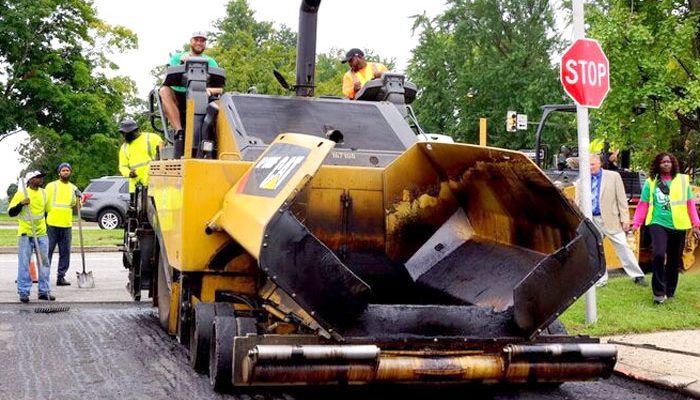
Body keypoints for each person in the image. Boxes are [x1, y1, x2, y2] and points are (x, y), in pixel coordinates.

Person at [631, 152, 700, 304]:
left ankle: (670, 291)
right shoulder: (651, 182)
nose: (666, 164)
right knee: (658, 254)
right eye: (663, 162)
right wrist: (636, 224)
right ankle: (658, 292)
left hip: (679, 225)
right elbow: (643, 204)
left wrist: (696, 224)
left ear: (673, 164)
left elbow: (690, 204)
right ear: (658, 165)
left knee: (674, 260)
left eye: (669, 161)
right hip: (658, 222)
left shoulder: (682, 180)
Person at [581, 154, 647, 287]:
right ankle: (601, 278)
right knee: (595, 250)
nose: (590, 167)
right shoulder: (581, 180)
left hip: (610, 219)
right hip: (591, 220)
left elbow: (621, 199)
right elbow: (579, 201)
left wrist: (624, 219)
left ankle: (637, 275)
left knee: (623, 246)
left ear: (600, 164)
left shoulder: (613, 177)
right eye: (587, 164)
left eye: (592, 164)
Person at [158, 31, 222, 136]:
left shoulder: (211, 62)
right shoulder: (177, 57)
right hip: (179, 96)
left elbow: (220, 89)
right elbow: (169, 79)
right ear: (190, 41)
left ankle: (210, 135)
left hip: (201, 96)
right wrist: (182, 64)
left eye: (202, 41)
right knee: (164, 90)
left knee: (220, 102)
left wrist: (209, 90)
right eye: (196, 40)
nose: (199, 43)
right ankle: (179, 132)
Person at [7, 171, 55, 302]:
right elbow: (11, 213)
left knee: (44, 263)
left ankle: (44, 291)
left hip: (41, 233)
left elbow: (46, 211)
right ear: (30, 180)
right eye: (38, 178)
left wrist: (44, 227)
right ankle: (23, 292)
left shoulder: (44, 193)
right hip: (25, 234)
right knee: (24, 263)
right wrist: (21, 203)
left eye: (41, 177)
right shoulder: (21, 194)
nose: (41, 179)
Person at [45, 162, 79, 286]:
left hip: (66, 225)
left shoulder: (73, 188)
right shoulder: (51, 186)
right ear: (59, 172)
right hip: (52, 224)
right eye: (63, 170)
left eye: (67, 170)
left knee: (65, 253)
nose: (65, 172)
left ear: (70, 172)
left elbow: (76, 205)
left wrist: (80, 199)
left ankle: (61, 277)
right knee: (47, 252)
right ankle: (45, 277)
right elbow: (44, 203)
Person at [118, 119, 163, 200]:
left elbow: (162, 159)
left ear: (134, 131)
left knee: (154, 211)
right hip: (135, 188)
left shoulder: (152, 138)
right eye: (122, 134)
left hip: (153, 185)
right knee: (137, 212)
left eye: (125, 134)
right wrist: (129, 173)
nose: (123, 136)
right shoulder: (124, 147)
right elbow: (122, 166)